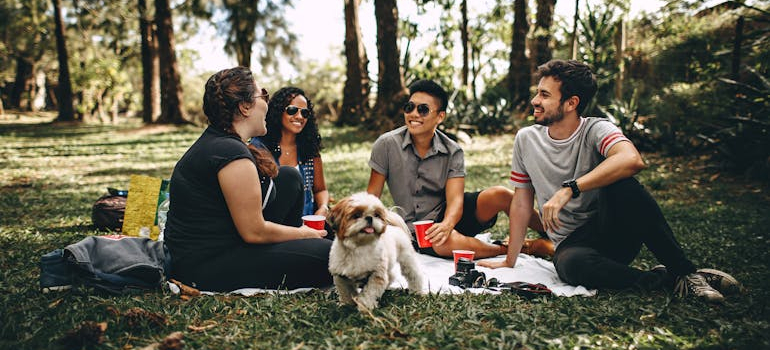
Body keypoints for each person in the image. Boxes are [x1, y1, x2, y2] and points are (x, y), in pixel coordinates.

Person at [478, 59, 739, 303]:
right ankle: (668, 279)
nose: (535, 100)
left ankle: (686, 272)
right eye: (538, 92)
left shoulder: (596, 129)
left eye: (545, 95)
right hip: (572, 245)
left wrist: (570, 188)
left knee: (624, 184)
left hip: (612, 231)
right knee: (571, 266)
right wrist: (509, 261)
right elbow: (522, 203)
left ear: (571, 103)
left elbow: (631, 159)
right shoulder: (526, 139)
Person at [164, 67, 332, 292]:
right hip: (207, 264)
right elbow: (254, 232)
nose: (267, 103)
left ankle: (300, 246)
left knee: (289, 177)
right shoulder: (229, 153)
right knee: (333, 256)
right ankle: (304, 247)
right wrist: (304, 233)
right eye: (263, 95)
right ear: (244, 107)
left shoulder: (223, 142)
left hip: (230, 242)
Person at [367, 79, 548, 259]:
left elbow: (455, 201)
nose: (414, 114)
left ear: (440, 117)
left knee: (500, 194)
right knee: (442, 242)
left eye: (422, 109)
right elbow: (371, 197)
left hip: (451, 215)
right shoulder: (386, 145)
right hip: (418, 229)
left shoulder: (452, 150)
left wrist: (447, 224)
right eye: (409, 107)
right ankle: (518, 249)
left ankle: (554, 232)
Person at [250, 87, 330, 217]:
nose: (299, 117)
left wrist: (323, 208)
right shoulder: (259, 148)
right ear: (278, 112)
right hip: (272, 225)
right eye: (292, 110)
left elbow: (320, 189)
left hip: (307, 224)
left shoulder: (309, 149)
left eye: (305, 113)